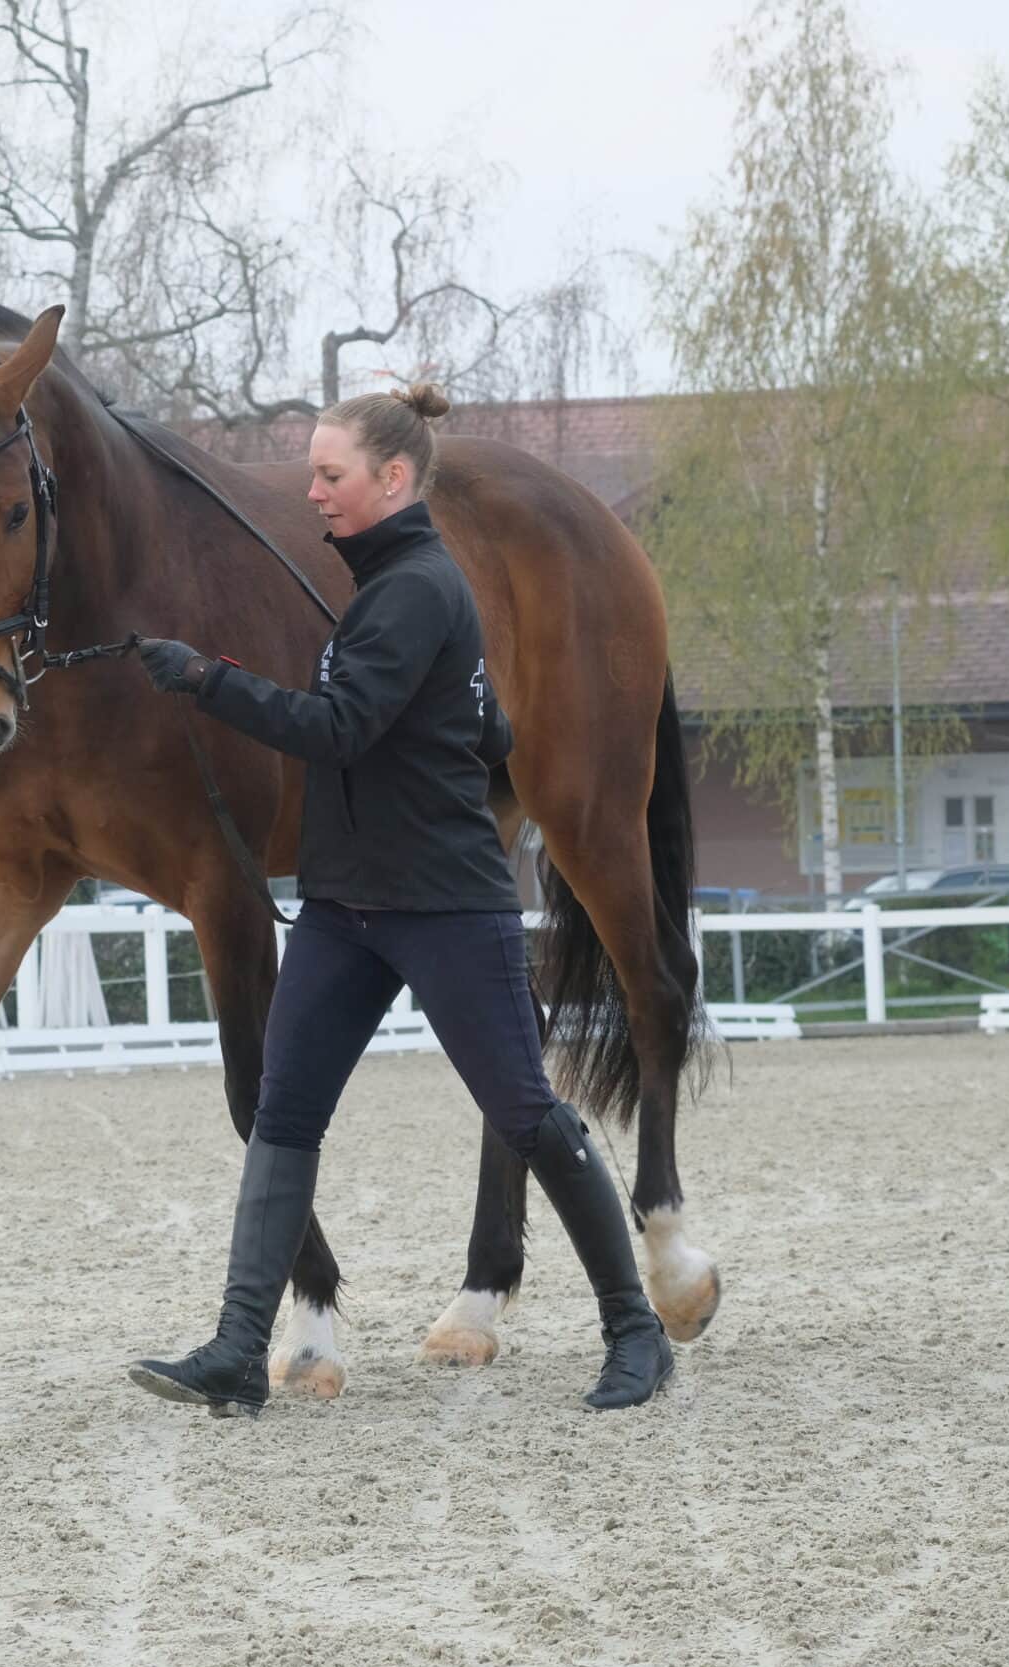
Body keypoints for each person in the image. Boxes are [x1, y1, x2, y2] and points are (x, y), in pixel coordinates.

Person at [124, 383, 674, 1418]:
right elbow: (495, 738)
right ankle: (240, 1348)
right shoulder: (384, 592)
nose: (312, 491)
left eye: (329, 475)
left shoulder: (416, 588)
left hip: (440, 907)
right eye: (312, 473)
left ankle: (636, 1332)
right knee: (284, 1108)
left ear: (392, 478)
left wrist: (207, 681)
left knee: (524, 1111)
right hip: (346, 906)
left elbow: (337, 729)